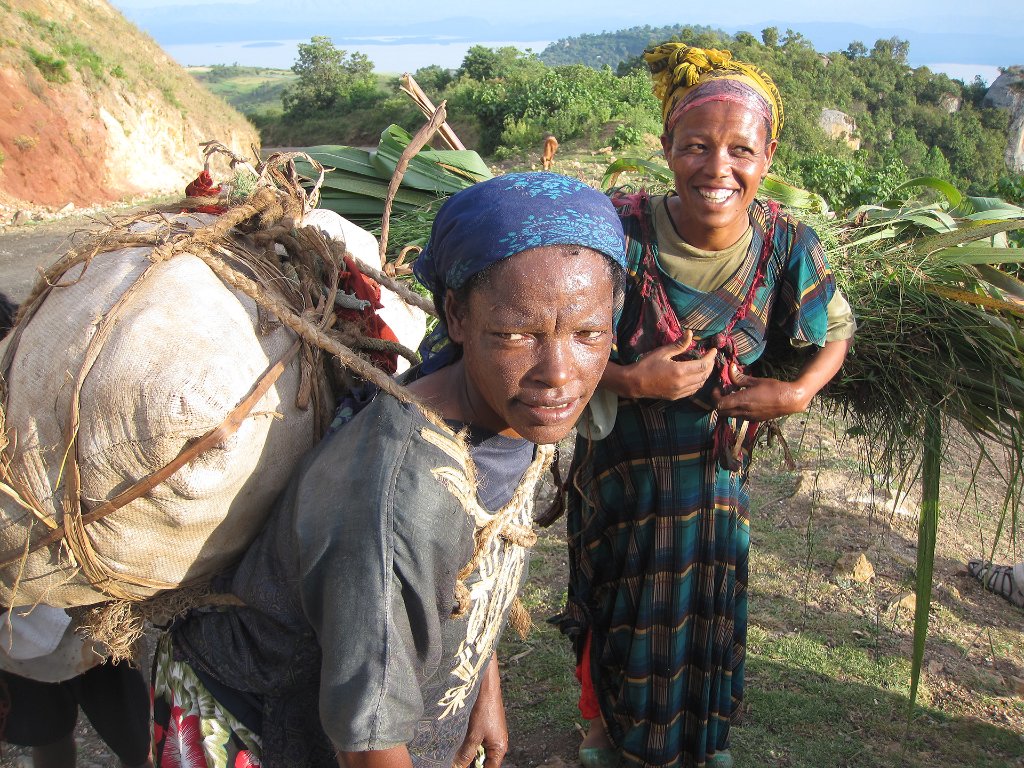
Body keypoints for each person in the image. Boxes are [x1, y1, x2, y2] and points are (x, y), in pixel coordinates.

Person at [151, 172, 628, 768]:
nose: (558, 372)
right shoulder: (395, 497)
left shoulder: (514, 413)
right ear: (455, 314)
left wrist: (482, 686)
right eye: (514, 335)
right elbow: (368, 740)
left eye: (588, 334)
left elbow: (467, 572)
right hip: (264, 732)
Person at [552, 44, 856, 768]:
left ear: (768, 153)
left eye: (740, 149)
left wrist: (798, 392)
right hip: (620, 478)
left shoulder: (786, 247)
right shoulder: (613, 232)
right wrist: (630, 382)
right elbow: (554, 340)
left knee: (708, 613)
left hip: (717, 489)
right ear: (667, 148)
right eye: (696, 146)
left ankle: (704, 743)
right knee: (618, 611)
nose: (718, 169)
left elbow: (837, 332)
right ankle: (606, 737)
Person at [0, 292, 153, 768]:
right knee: (57, 734)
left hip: (85, 606)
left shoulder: (41, 388)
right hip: (23, 623)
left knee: (135, 734)